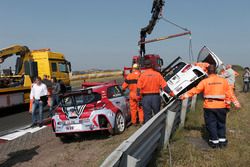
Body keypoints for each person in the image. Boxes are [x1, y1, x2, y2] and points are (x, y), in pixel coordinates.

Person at [180, 65, 240, 148]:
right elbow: (230, 93)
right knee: (221, 123)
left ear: (207, 72)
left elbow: (195, 90)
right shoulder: (223, 81)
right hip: (221, 106)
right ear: (216, 72)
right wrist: (236, 103)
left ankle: (214, 142)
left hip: (209, 106)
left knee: (211, 124)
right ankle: (222, 142)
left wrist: (183, 96)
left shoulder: (205, 81)